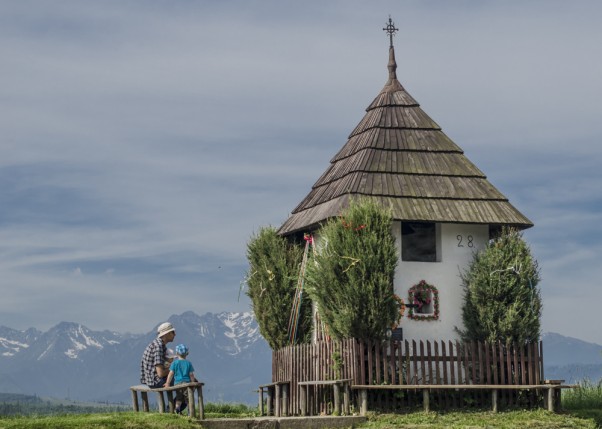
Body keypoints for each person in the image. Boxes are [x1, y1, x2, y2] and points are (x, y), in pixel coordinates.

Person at [140, 322, 176, 388]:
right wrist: (174, 368)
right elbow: (160, 374)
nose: (175, 334)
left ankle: (179, 398)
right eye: (173, 332)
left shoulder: (158, 344)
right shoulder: (158, 347)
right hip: (156, 382)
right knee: (186, 380)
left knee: (184, 378)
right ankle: (179, 398)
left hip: (151, 380)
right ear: (167, 334)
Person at [165, 343, 197, 414]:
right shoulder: (188, 363)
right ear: (187, 354)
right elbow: (191, 375)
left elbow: (170, 374)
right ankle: (190, 412)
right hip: (186, 383)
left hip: (177, 384)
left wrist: (167, 383)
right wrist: (193, 383)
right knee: (188, 399)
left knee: (179, 398)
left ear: (176, 353)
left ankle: (177, 410)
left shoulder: (174, 363)